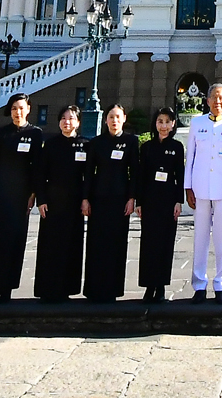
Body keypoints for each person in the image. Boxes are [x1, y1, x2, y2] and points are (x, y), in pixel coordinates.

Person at [183, 83, 222, 303]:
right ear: (207, 101)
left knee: (221, 238)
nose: (217, 102)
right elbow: (191, 157)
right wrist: (188, 186)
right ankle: (199, 284)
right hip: (200, 188)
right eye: (214, 98)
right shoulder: (197, 124)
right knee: (200, 238)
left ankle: (221, 284)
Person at [0, 94, 42, 302]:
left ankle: (8, 286)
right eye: (14, 108)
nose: (18, 112)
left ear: (28, 109)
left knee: (16, 241)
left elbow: (37, 168)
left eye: (21, 108)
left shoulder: (35, 134)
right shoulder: (1, 133)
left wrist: (33, 194)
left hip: (21, 196)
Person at [83, 104, 140, 302]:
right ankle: (94, 289)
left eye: (118, 117)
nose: (114, 121)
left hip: (120, 200)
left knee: (116, 245)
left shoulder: (131, 141)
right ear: (105, 120)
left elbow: (135, 173)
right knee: (96, 245)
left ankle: (113, 289)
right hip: (98, 200)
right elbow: (89, 173)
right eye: (110, 117)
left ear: (124, 118)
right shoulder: (97, 143)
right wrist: (85, 198)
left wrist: (132, 198)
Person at [34, 105, 89, 302]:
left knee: (71, 246)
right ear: (59, 122)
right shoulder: (50, 145)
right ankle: (48, 289)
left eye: (72, 118)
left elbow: (88, 177)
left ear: (78, 122)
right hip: (52, 203)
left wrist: (85, 199)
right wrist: (41, 200)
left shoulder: (85, 145)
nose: (67, 122)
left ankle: (68, 288)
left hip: (74, 204)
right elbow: (40, 174)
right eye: (64, 118)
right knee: (50, 246)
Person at [137, 108, 186, 303]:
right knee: (149, 243)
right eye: (160, 121)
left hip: (168, 200)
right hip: (149, 200)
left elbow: (180, 175)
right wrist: (139, 202)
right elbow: (140, 176)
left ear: (173, 124)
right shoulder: (146, 147)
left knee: (165, 243)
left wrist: (178, 201)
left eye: (167, 121)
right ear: (155, 124)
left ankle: (161, 286)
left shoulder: (177, 146)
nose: (163, 125)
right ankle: (149, 286)